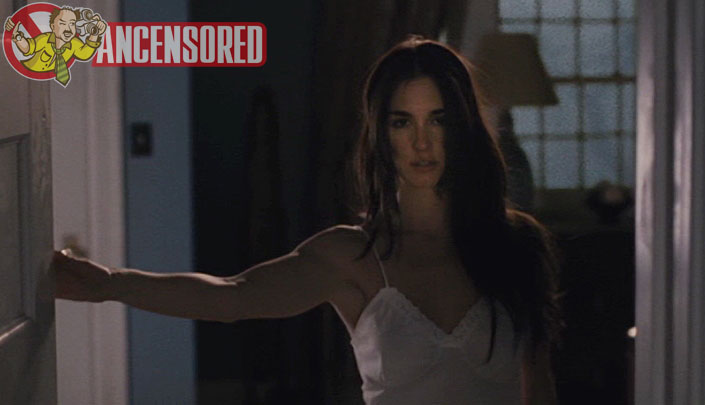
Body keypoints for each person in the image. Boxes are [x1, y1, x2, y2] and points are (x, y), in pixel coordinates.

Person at [51, 36, 561, 404]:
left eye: (439, 120)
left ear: (464, 127)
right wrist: (110, 284)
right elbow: (232, 297)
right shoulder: (351, 256)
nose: (422, 142)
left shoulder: (516, 243)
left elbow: (538, 387)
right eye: (402, 122)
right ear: (381, 135)